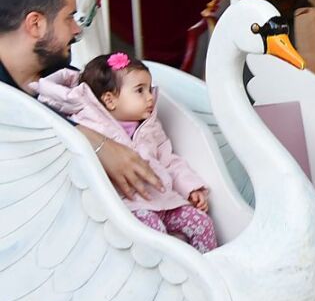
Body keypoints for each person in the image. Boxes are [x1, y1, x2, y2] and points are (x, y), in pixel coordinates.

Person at [0, 0, 162, 200]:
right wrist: (97, 145)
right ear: (36, 24)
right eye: (69, 18)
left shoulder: (69, 80)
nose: (76, 30)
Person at [35, 52, 217, 253]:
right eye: (140, 91)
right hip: (128, 210)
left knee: (202, 222)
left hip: (165, 202)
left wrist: (190, 187)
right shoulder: (91, 127)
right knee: (154, 235)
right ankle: (171, 275)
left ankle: (207, 268)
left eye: (149, 89)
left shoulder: (150, 127)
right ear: (110, 100)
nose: (150, 97)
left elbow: (169, 160)